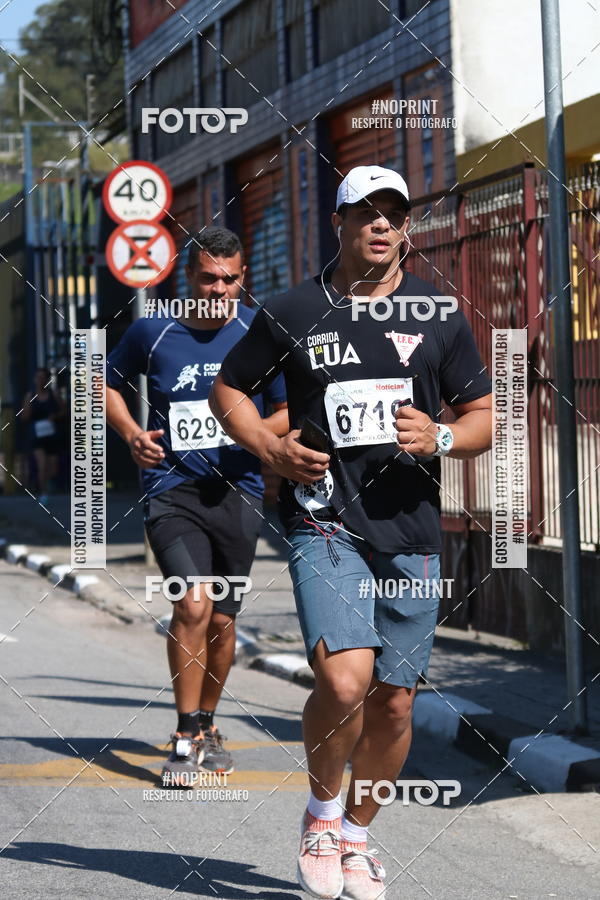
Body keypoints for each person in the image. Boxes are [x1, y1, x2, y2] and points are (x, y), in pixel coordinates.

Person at [209, 166, 492, 900]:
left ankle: (360, 839)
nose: (380, 224)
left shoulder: (441, 315)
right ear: (336, 222)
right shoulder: (295, 308)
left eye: (392, 213)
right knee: (346, 678)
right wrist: (269, 451)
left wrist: (443, 438)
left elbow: (485, 416)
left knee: (396, 701)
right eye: (364, 212)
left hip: (410, 529)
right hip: (322, 519)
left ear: (405, 228)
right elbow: (228, 389)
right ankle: (322, 815)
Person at [106, 226, 287, 785]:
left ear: (242, 279)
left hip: (239, 492)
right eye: (208, 278)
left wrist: (246, 432)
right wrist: (133, 433)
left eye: (229, 279)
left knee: (225, 620)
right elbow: (104, 382)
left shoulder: (258, 331)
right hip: (171, 490)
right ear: (188, 278)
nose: (218, 289)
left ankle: (208, 722)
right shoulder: (152, 332)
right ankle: (184, 735)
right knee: (192, 603)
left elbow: (288, 413)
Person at [22, 367, 64, 505]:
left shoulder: (54, 394)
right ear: (35, 379)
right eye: (38, 377)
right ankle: (44, 493)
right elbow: (24, 417)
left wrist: (55, 416)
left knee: (53, 467)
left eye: (43, 377)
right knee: (42, 465)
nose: (40, 380)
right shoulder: (30, 396)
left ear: (47, 380)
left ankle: (50, 483)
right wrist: (28, 412)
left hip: (51, 435)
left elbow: (64, 411)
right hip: (37, 436)